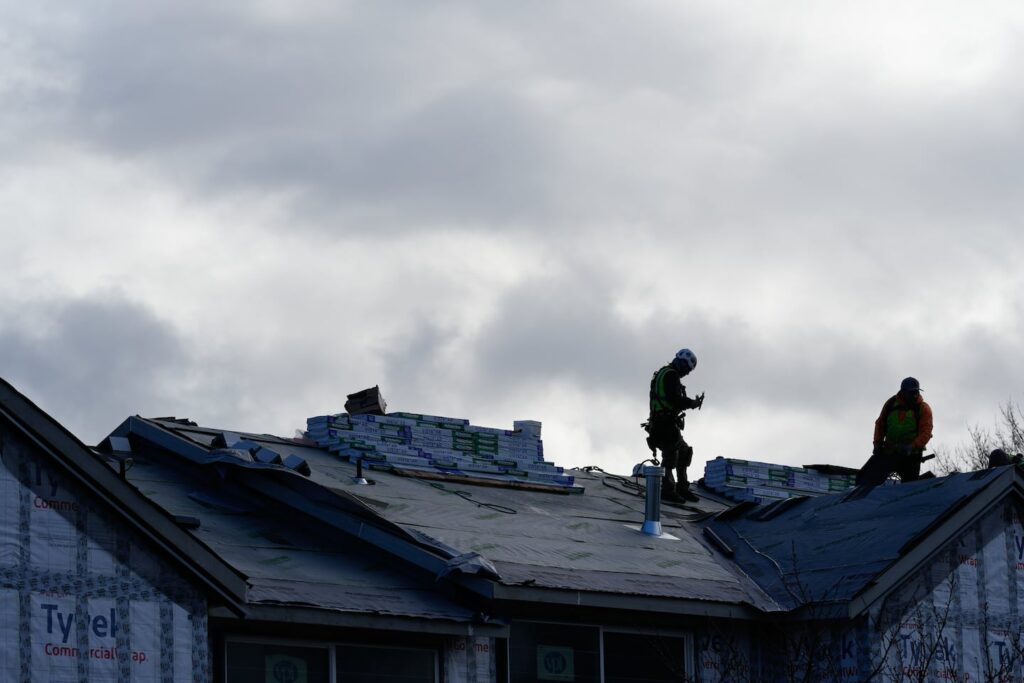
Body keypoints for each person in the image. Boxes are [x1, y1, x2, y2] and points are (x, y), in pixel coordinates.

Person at [646, 348, 705, 502]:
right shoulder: (671, 375)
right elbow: (675, 400)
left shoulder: (663, 373)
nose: (686, 373)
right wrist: (692, 403)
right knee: (670, 457)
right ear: (681, 363)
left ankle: (682, 488)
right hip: (664, 425)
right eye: (686, 369)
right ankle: (667, 490)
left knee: (684, 451)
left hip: (662, 423)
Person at [856, 377, 933, 486]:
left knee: (909, 488)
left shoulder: (923, 408)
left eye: (916, 392)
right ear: (903, 392)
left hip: (911, 455)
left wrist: (912, 446)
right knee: (865, 479)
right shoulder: (891, 403)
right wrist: (877, 443)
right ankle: (860, 497)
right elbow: (880, 424)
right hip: (889, 452)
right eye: (911, 392)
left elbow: (926, 432)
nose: (915, 395)